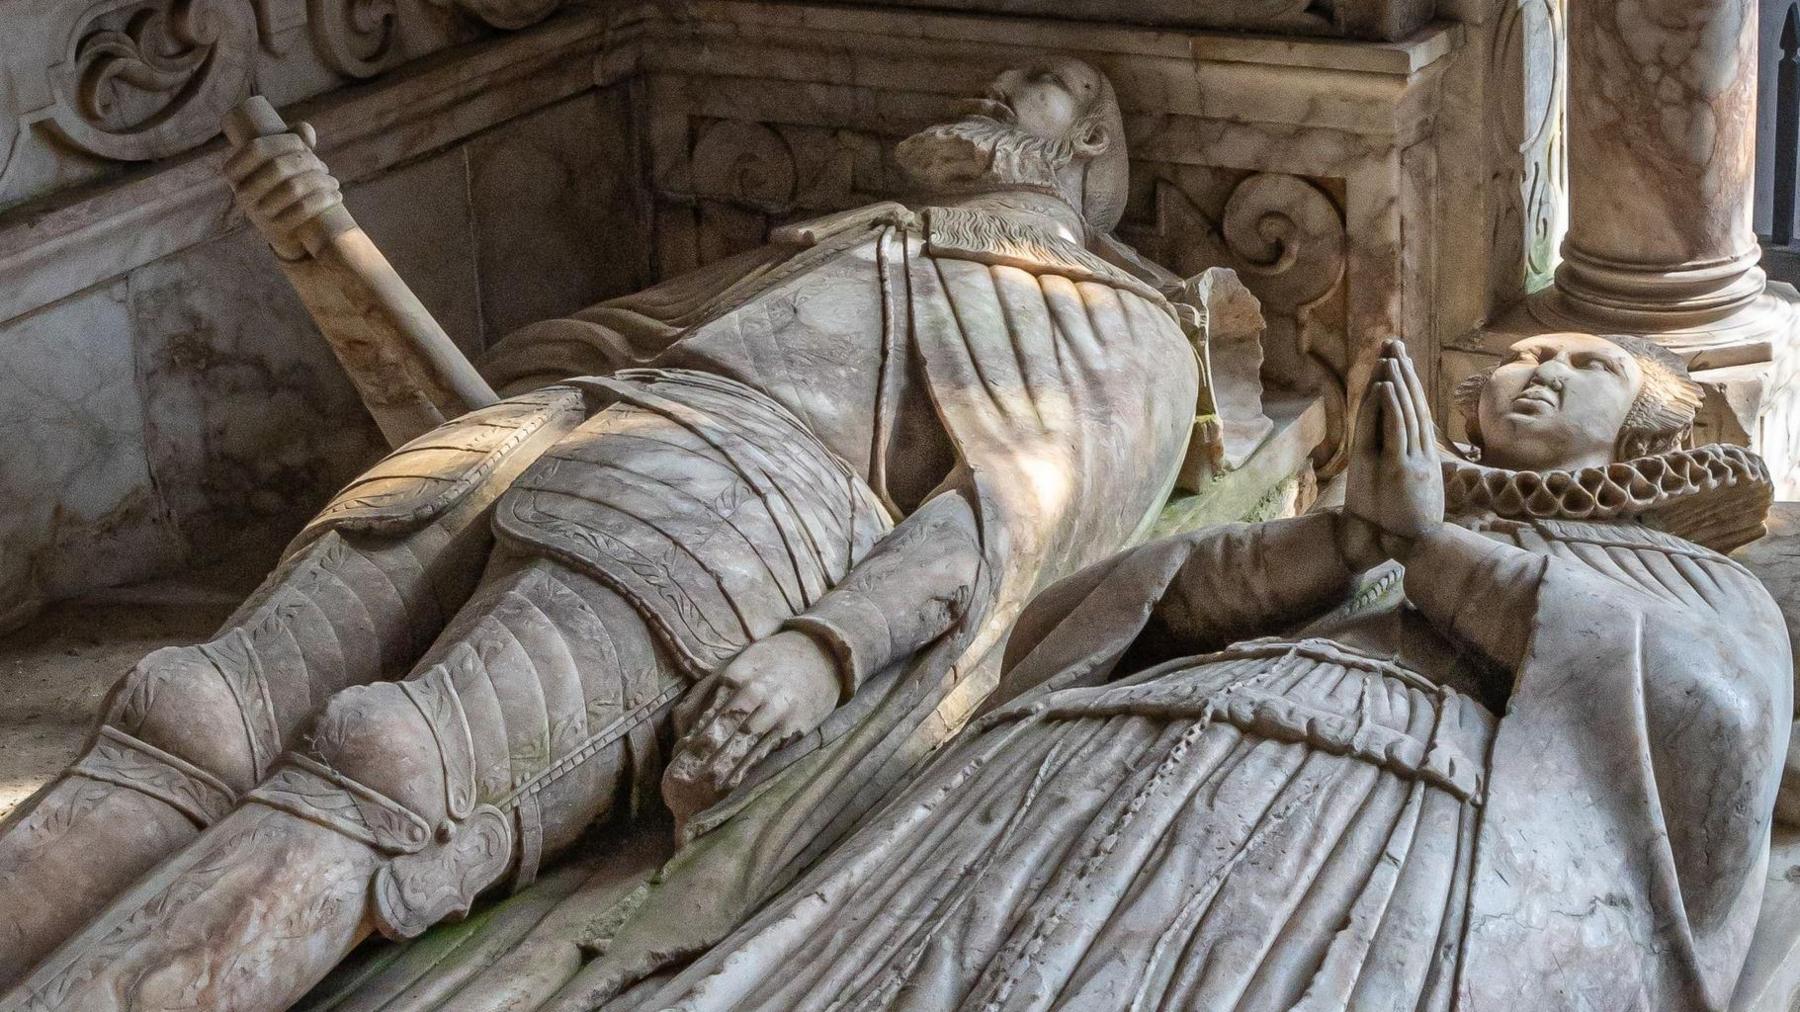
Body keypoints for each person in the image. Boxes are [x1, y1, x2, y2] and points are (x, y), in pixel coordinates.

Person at [0, 59, 1203, 1010]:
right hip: (532, 444)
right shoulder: (849, 238)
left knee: (394, 762)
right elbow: (510, 382)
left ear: (1092, 143)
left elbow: (1007, 520)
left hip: (725, 518)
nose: (992, 84)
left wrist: (825, 649)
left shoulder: (1127, 325)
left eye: (1044, 76)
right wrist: (323, 253)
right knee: (186, 709)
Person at [618, 335, 1791, 1012]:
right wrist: (1345, 540)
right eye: (1524, 351)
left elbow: (1709, 729)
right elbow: (1124, 608)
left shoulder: (1689, 574)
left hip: (1387, 817)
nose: (1538, 366)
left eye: (1586, 362)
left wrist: (1434, 549)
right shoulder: (1366, 506)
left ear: (1654, 432)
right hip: (1123, 755)